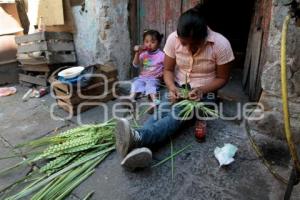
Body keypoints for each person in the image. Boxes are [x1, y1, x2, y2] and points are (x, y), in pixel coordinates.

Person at [115, 4, 235, 171]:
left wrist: (201, 90)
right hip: (178, 86)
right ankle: (138, 144)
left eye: (194, 44)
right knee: (162, 109)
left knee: (178, 114)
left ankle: (138, 138)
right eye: (184, 43)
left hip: (204, 93)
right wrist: (172, 88)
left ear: (204, 35)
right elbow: (168, 70)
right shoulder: (173, 39)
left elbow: (223, 78)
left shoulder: (221, 45)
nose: (188, 48)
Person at [128, 30, 165, 110]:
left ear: (158, 43)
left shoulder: (161, 55)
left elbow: (167, 68)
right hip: (143, 77)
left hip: (154, 78)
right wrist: (137, 53)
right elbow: (135, 64)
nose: (149, 44)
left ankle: (155, 101)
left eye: (152, 42)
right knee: (135, 84)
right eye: (146, 42)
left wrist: (162, 74)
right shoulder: (144, 54)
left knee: (150, 86)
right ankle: (130, 99)